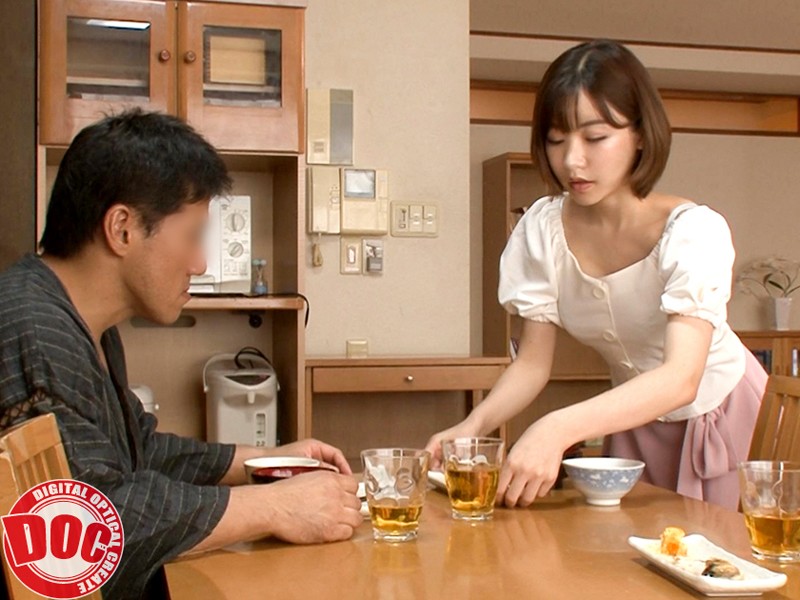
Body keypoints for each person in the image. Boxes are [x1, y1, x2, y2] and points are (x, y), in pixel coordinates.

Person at [0, 110, 362, 599]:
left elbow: (141, 452)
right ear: (122, 229)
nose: (201, 264)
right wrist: (274, 507)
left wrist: (265, 460)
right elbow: (85, 531)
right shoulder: (34, 330)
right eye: (192, 237)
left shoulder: (86, 324)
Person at [426, 39, 767, 511]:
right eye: (556, 139)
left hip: (725, 417)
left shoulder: (692, 231)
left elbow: (680, 379)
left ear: (641, 135)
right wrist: (473, 426)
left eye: (595, 137)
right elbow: (532, 364)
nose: (572, 160)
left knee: (718, 551)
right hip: (632, 422)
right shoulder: (543, 229)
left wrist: (556, 427)